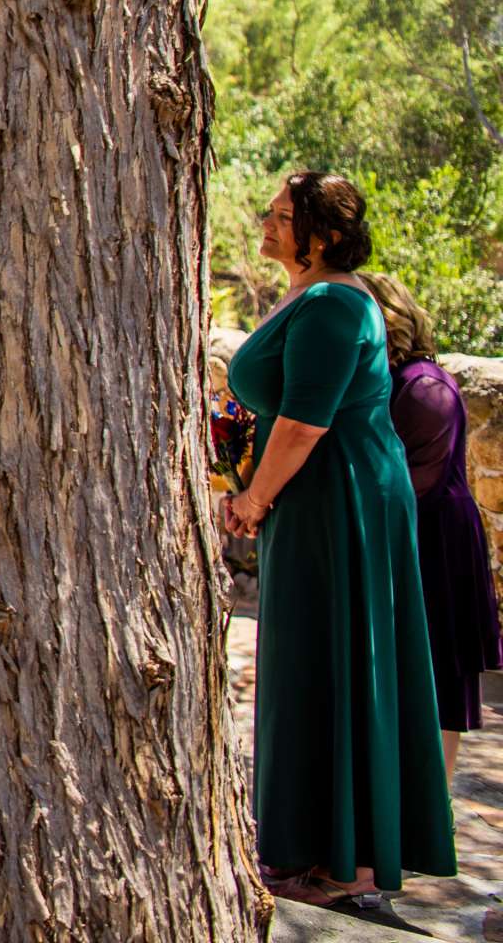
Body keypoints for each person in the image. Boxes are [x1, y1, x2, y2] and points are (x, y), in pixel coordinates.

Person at [224, 172, 453, 912]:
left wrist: (254, 498)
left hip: (337, 498)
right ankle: (317, 845)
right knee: (315, 659)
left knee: (335, 658)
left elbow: (304, 422)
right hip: (323, 494)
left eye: (282, 215)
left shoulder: (331, 303)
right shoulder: (314, 296)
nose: (266, 223)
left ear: (320, 235)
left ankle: (342, 861)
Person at [360, 272, 501, 781]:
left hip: (436, 540)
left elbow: (409, 483)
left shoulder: (422, 388)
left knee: (441, 664)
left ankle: (434, 805)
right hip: (416, 532)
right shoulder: (389, 382)